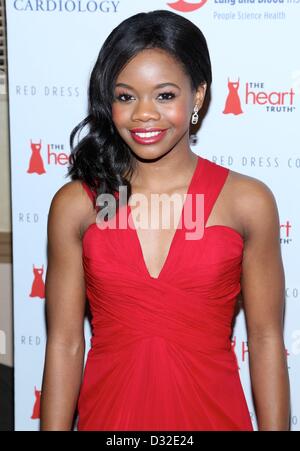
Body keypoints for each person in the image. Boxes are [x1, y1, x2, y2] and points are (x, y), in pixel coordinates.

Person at [40, 10, 290, 431]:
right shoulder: (84, 203)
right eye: (125, 97)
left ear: (197, 97)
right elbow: (64, 343)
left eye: (165, 95)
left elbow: (265, 341)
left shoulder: (246, 202)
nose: (143, 114)